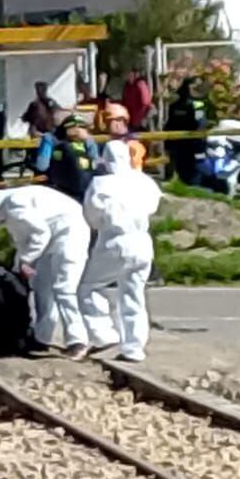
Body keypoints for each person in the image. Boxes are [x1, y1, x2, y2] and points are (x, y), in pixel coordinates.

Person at [0, 184, 91, 358]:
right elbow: (23, 241)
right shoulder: (8, 210)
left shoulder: (15, 205)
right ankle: (42, 338)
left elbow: (40, 234)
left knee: (64, 289)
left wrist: (25, 261)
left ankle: (77, 341)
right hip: (53, 237)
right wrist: (18, 266)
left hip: (71, 235)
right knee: (42, 288)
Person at [79, 139, 161, 363]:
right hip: (143, 241)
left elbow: (91, 217)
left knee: (88, 287)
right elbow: (153, 206)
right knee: (133, 294)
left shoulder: (100, 184)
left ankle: (104, 333)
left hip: (114, 240)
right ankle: (134, 347)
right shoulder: (144, 181)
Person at [35, 112, 100, 202]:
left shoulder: (50, 138)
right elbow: (96, 165)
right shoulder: (88, 140)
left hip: (57, 187)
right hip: (86, 190)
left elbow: (41, 166)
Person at [164, 77, 207, 186]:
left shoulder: (176, 104)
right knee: (191, 176)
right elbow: (199, 124)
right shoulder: (196, 104)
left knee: (186, 174)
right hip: (190, 144)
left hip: (182, 144)